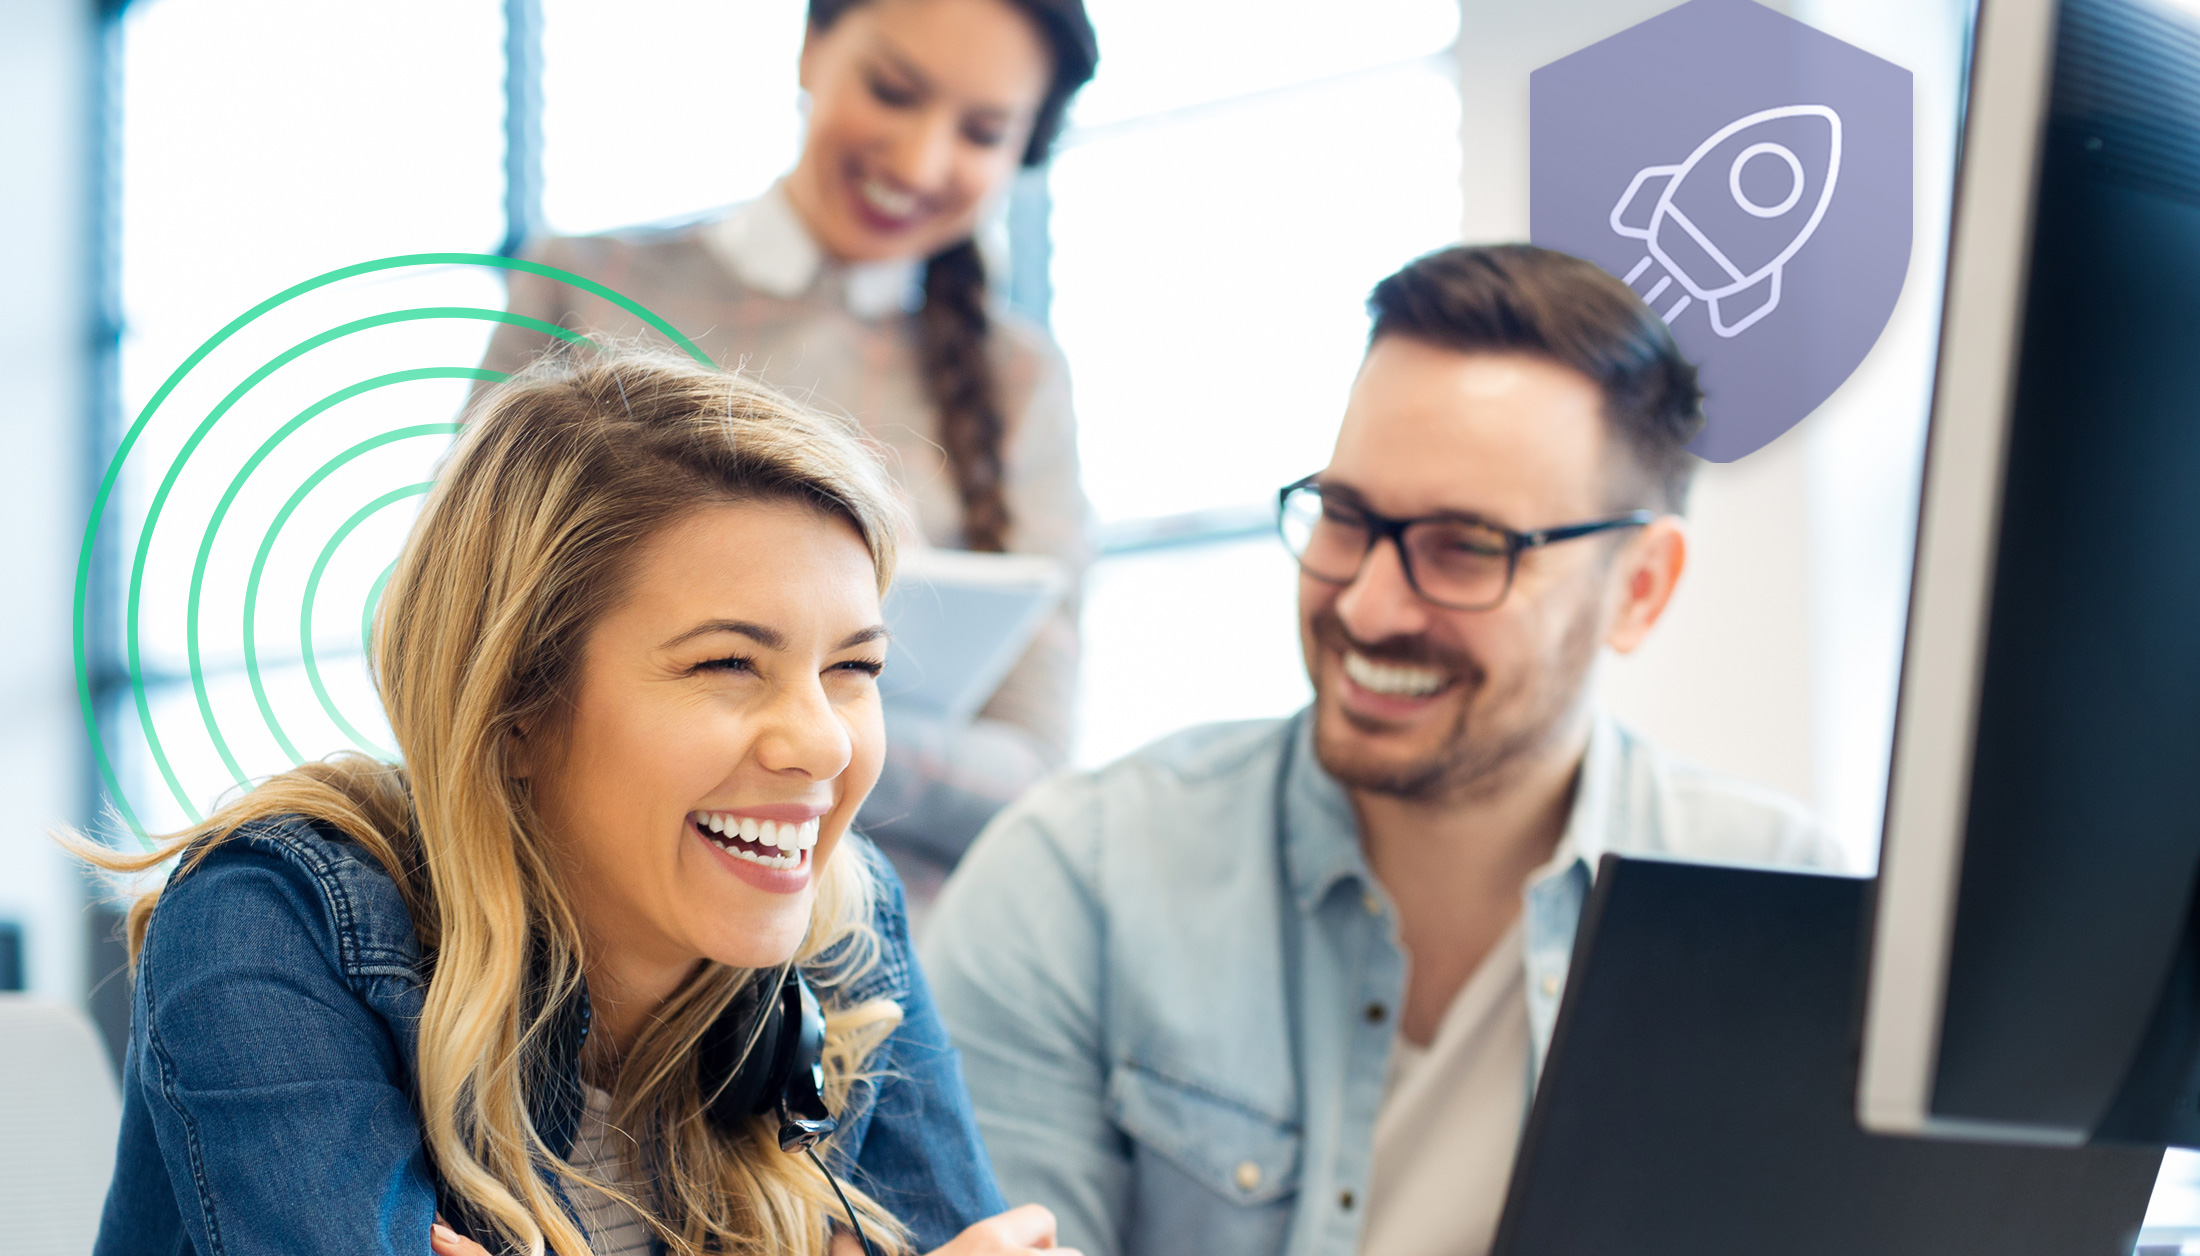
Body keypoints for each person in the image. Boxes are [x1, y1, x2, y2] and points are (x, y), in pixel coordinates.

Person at [919, 245, 1847, 1256]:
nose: (1366, 602)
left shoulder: (1792, 913)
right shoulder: (1070, 883)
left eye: (1464, 547)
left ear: (1639, 589)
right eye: (1347, 517)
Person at [86, 352, 1077, 1256]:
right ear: (516, 705)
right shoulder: (274, 916)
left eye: (854, 666)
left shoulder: (844, 923)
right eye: (729, 662)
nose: (822, 740)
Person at [480, 0, 1100, 909]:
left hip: (878, 977)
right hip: (577, 924)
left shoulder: (1021, 385)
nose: (923, 161)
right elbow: (453, 637)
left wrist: (799, 729)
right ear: (811, 47)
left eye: (982, 131)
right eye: (893, 91)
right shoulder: (582, 290)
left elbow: (1036, 772)